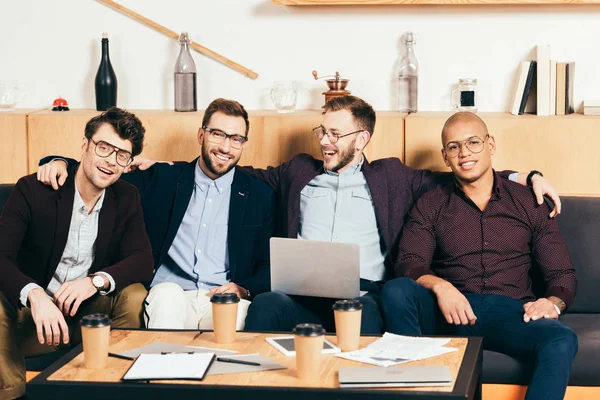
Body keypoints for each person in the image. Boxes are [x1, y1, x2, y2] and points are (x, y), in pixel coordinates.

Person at [380, 112, 577, 400]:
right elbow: (409, 261)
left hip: (511, 313)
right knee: (396, 290)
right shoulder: (431, 203)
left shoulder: (528, 202)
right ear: (445, 157)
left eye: (473, 142)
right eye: (454, 147)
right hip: (450, 311)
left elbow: (562, 275)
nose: (464, 153)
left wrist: (552, 303)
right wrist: (441, 286)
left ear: (491, 145)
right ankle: (415, 388)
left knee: (562, 338)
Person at [36, 99, 275, 331]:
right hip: (170, 292)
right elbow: (103, 171)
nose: (226, 147)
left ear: (243, 144)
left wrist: (244, 289)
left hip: (226, 297)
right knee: (166, 300)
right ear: (201, 135)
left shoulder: (259, 195)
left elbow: (269, 265)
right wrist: (60, 163)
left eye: (236, 139)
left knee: (234, 324)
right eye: (218, 134)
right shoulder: (162, 177)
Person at [0, 107, 153, 400]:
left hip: (86, 316)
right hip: (32, 319)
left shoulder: (126, 196)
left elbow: (143, 259)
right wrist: (34, 295)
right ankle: (11, 395)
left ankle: (117, 391)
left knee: (133, 294)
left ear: (128, 162)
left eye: (122, 155)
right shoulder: (33, 190)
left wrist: (94, 282)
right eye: (104, 148)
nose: (111, 162)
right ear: (85, 145)